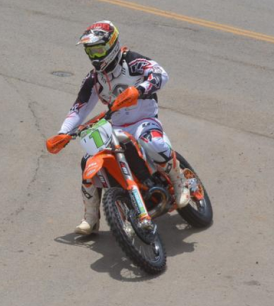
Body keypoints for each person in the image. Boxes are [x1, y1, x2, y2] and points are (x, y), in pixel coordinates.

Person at [49, 21, 189, 236]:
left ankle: (180, 183)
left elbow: (161, 74)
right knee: (88, 162)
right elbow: (79, 107)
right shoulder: (94, 78)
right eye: (90, 51)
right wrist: (62, 133)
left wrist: (140, 89)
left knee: (155, 143)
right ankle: (91, 218)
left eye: (99, 50)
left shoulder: (132, 61)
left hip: (143, 119)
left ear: (112, 45)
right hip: (115, 126)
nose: (95, 56)